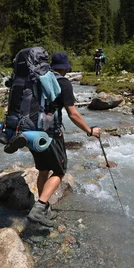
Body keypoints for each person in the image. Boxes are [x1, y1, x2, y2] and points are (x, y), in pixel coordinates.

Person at [27, 52, 102, 227]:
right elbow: (73, 114)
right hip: (50, 134)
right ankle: (39, 209)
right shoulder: (63, 83)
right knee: (60, 171)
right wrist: (90, 131)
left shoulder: (37, 79)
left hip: (32, 133)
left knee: (44, 170)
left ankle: (44, 207)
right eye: (67, 68)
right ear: (65, 68)